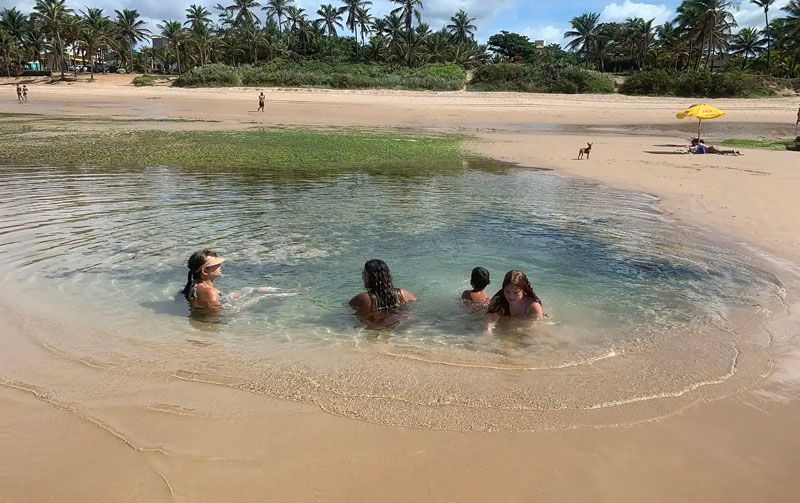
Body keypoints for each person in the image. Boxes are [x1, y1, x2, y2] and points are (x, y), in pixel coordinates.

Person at [349, 259, 416, 324]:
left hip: (375, 330)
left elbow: (348, 309)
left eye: (364, 274)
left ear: (372, 278)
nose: (363, 277)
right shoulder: (403, 294)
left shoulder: (364, 298)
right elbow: (416, 303)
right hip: (398, 327)